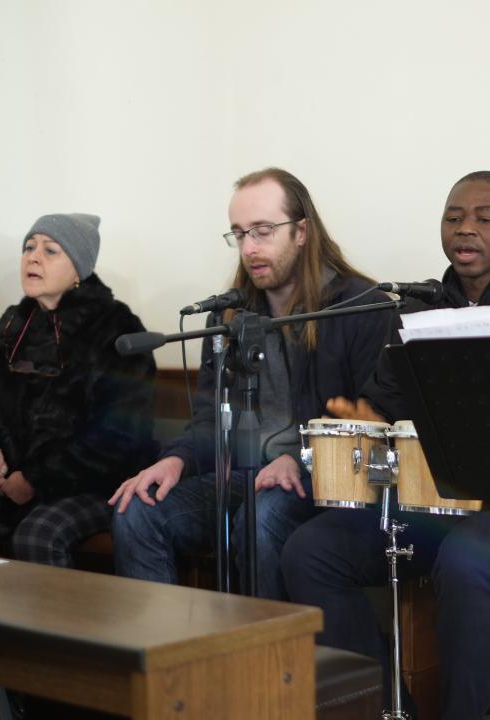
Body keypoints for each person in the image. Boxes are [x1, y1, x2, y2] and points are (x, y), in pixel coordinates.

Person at [280, 170, 490, 719]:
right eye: (454, 217)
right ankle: (387, 707)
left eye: (484, 218)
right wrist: (362, 419)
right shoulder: (415, 312)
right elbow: (381, 403)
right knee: (312, 550)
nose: (465, 228)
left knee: (469, 557)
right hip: (431, 503)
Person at [109, 167, 393, 598]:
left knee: (260, 518)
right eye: (239, 234)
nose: (249, 248)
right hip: (243, 475)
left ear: (302, 231)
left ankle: (270, 643)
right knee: (137, 511)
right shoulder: (229, 318)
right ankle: (170, 643)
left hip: (324, 481)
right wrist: (177, 459)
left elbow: (374, 420)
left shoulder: (358, 308)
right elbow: (209, 420)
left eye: (263, 231)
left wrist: (298, 459)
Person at [0, 213, 156, 567]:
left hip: (98, 483)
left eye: (50, 250)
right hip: (13, 483)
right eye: (29, 248)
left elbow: (120, 434)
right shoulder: (10, 328)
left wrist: (36, 479)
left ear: (78, 271)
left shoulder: (117, 327)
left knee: (37, 534)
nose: (33, 257)